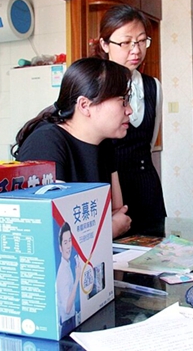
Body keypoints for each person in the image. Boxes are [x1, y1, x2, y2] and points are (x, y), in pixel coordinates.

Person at [12, 57, 132, 238]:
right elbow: (51, 231)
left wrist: (106, 226)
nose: (129, 110)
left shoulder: (104, 143)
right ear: (85, 105)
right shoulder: (46, 143)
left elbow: (117, 210)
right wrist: (110, 229)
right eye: (122, 101)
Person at [93, 4, 166, 236]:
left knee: (155, 251)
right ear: (105, 44)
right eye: (126, 42)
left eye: (142, 41)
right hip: (110, 193)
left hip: (147, 189)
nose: (136, 50)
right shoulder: (94, 87)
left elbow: (149, 142)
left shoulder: (153, 86)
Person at [56, 222, 80, 332]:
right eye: (65, 242)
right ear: (60, 248)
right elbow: (67, 308)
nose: (69, 245)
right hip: (67, 324)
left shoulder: (67, 265)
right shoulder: (62, 273)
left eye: (70, 240)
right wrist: (77, 280)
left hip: (72, 321)